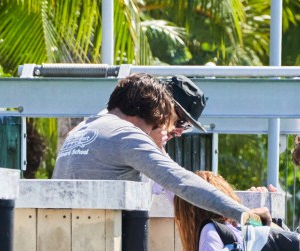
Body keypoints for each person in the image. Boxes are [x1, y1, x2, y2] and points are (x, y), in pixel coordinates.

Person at [53, 72, 271, 225]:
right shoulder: (127, 134)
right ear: (153, 114)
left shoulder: (82, 129)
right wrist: (245, 214)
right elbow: (181, 181)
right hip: (101, 246)